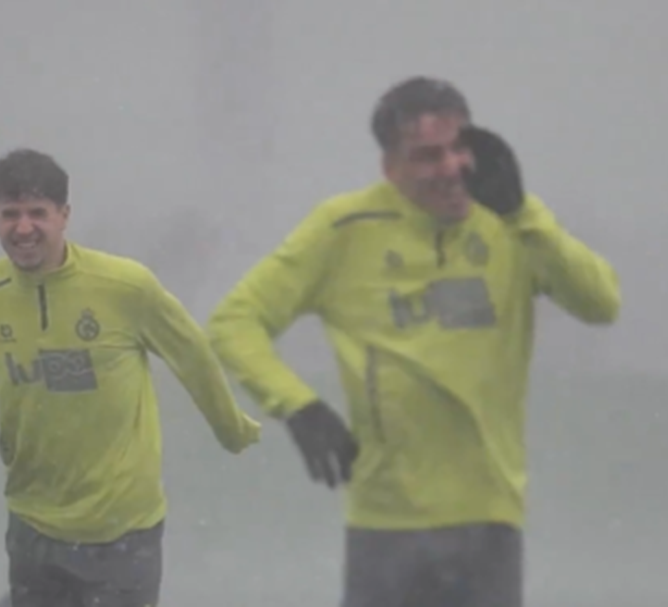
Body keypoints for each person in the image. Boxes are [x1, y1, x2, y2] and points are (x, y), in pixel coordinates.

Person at [206, 76, 621, 607]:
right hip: (386, 520)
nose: (450, 168)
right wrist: (298, 406)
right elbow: (234, 322)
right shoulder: (344, 228)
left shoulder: (513, 223)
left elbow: (601, 303)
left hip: (489, 514)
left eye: (459, 148)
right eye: (427, 155)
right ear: (390, 167)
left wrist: (521, 213)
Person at [0, 148, 262, 607]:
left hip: (123, 531)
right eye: (10, 214)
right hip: (33, 524)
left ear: (64, 215)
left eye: (38, 213)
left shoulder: (126, 286)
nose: (24, 227)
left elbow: (192, 358)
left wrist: (229, 426)